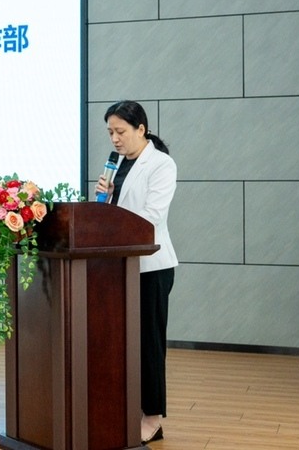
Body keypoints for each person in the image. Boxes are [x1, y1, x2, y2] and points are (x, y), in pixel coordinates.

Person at [95, 100, 178, 445]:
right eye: (110, 133)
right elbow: (112, 214)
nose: (114, 139)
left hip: (151, 266)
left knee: (149, 343)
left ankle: (153, 418)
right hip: (119, 265)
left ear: (141, 129)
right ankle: (128, 407)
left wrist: (114, 213)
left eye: (120, 131)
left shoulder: (161, 164)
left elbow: (151, 217)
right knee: (121, 342)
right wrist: (105, 200)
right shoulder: (117, 164)